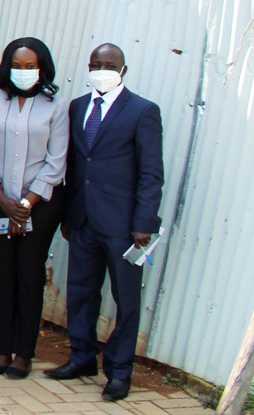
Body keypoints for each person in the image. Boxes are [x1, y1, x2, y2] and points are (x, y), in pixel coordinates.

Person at [47, 43, 163, 403]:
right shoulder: (78, 107)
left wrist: (144, 222)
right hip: (82, 219)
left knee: (125, 300)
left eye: (109, 65)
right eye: (96, 64)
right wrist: (67, 215)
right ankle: (82, 357)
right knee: (81, 292)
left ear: (123, 70)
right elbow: (73, 167)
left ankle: (119, 371)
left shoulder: (142, 111)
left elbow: (151, 173)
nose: (102, 69)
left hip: (124, 226)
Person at [0, 37, 67, 380]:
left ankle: (24, 353)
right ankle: (2, 348)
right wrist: (2, 199)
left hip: (39, 206)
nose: (23, 72)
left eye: (30, 67)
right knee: (1, 273)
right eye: (17, 66)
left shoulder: (56, 106)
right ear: (6, 66)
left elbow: (56, 163)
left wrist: (26, 204)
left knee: (29, 274)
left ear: (42, 69)